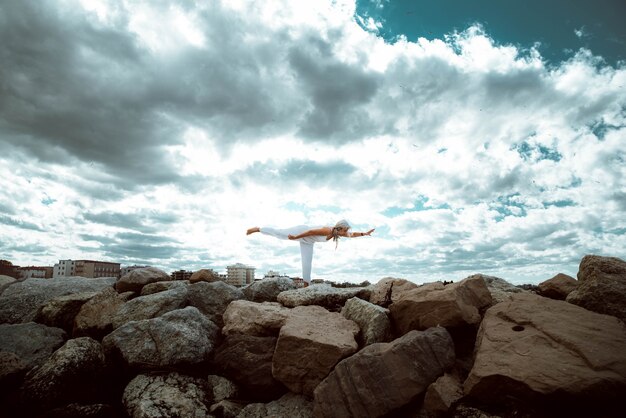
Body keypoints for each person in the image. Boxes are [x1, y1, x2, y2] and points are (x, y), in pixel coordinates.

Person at [246, 220, 375, 284]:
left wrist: (365, 233)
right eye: (344, 230)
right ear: (339, 228)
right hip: (301, 232)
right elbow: (310, 232)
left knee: (307, 263)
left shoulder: (337, 233)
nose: (345, 233)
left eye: (346, 231)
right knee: (280, 233)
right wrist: (296, 237)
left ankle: (306, 286)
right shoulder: (328, 231)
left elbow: (352, 234)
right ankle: (258, 229)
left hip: (308, 242)